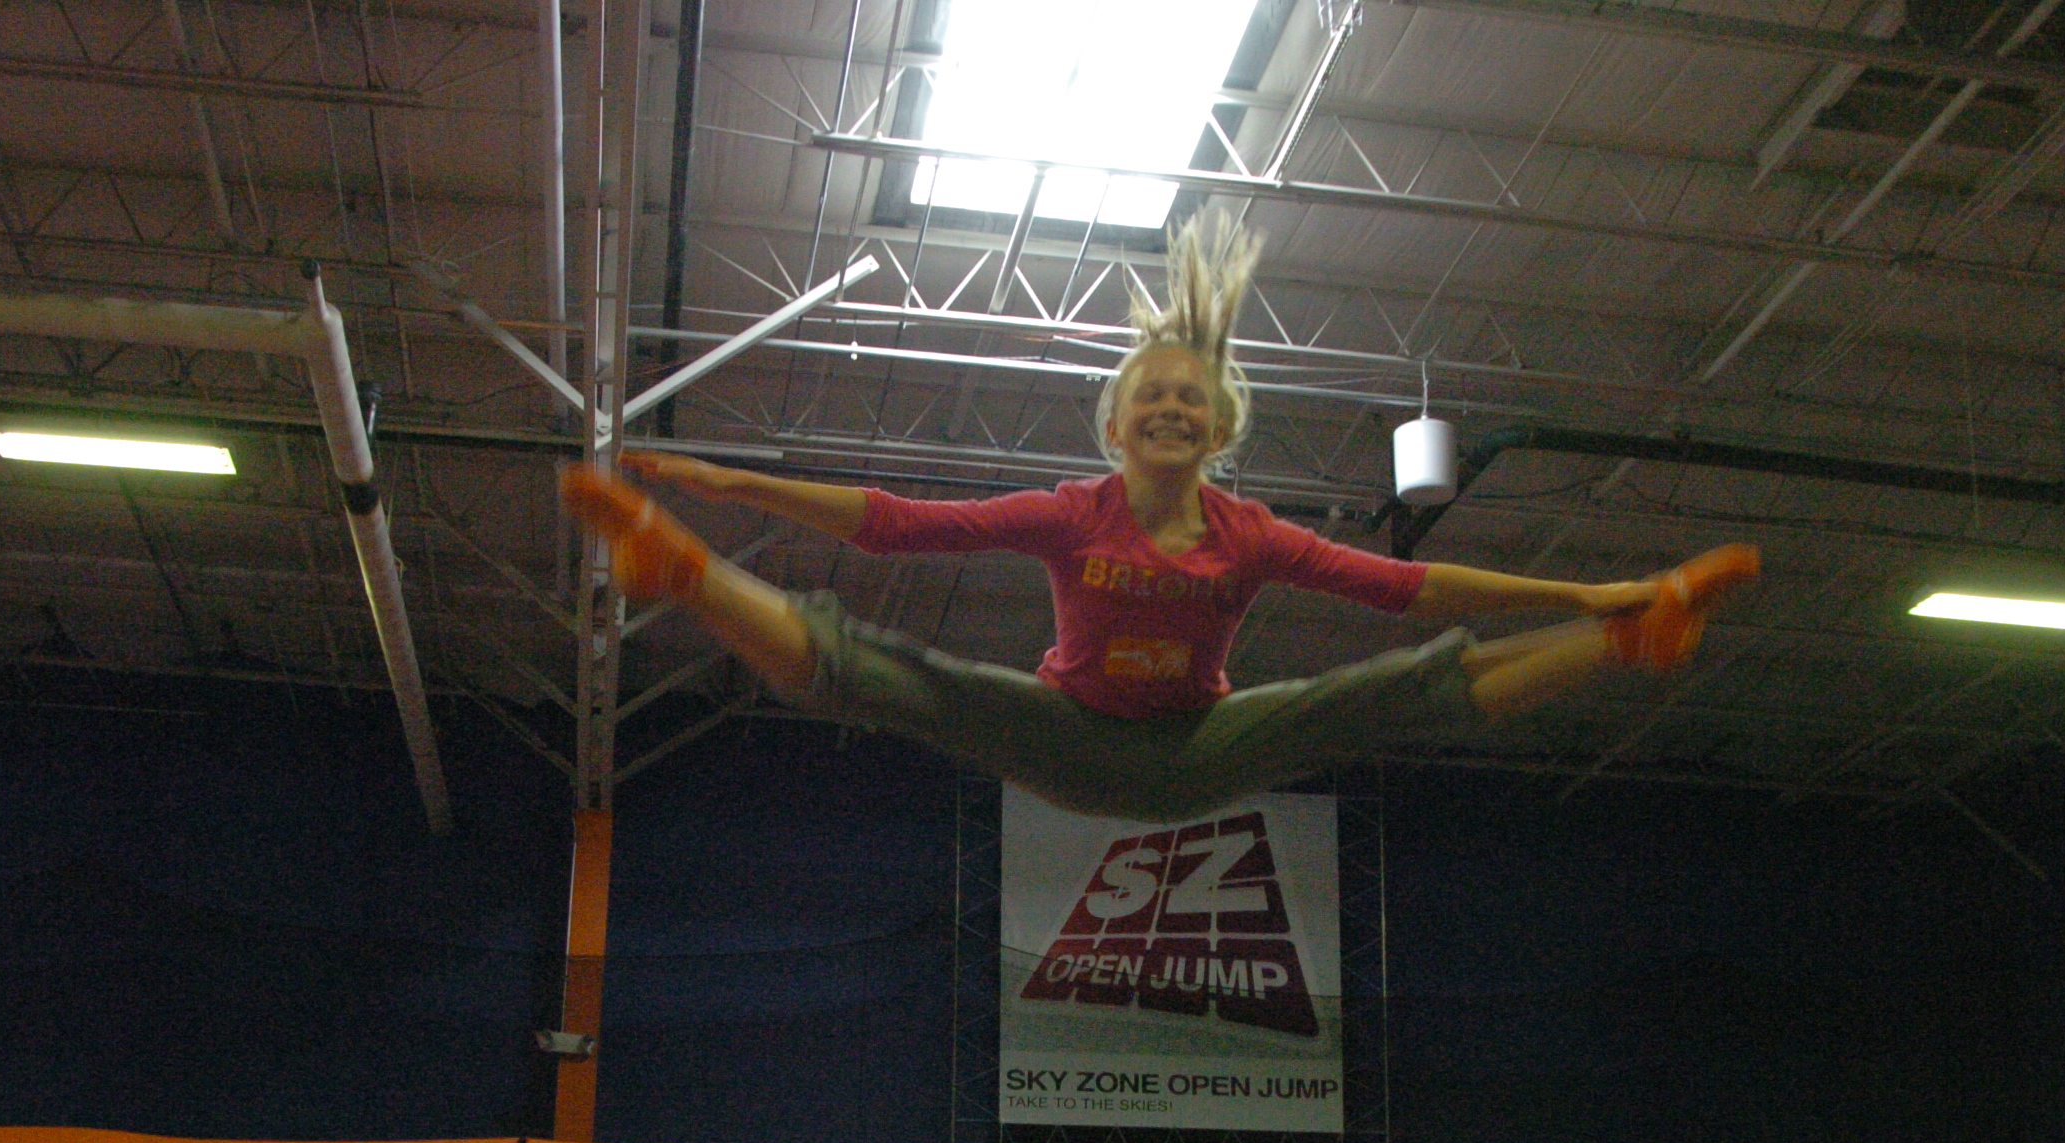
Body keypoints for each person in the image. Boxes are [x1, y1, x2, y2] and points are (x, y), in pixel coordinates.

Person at [560, 213, 1757, 823]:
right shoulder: (1070, 514)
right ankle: (686, 572)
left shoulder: (1250, 535)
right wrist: (739, 486)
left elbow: (1412, 589)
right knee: (896, 674)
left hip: (1197, 752)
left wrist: (1588, 595)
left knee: (1386, 688)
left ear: (1218, 427)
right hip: (1067, 736)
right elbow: (901, 523)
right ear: (1117, 427)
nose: (1173, 407)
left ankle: (1626, 640)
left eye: (1192, 398)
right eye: (1152, 397)